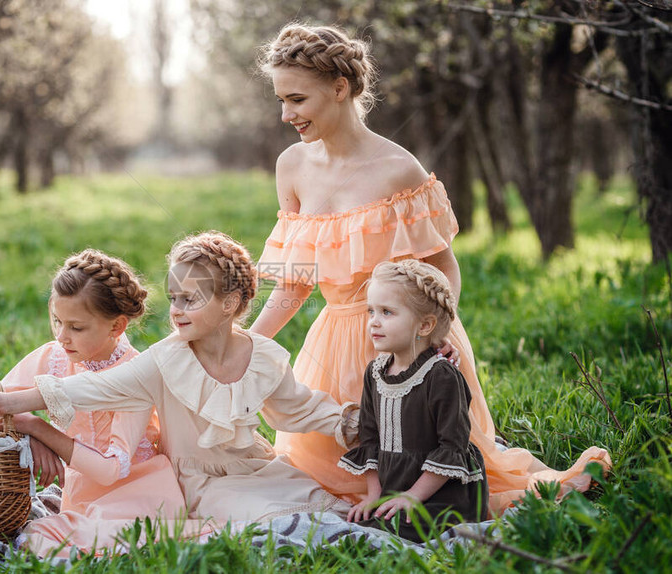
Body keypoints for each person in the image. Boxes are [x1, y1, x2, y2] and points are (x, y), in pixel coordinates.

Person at [251, 23, 610, 513]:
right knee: (326, 479)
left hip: (409, 340)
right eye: (281, 100)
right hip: (333, 342)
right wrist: (247, 343)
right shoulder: (290, 165)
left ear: (339, 89)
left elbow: (444, 268)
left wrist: (433, 334)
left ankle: (529, 488)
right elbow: (292, 283)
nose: (286, 114)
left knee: (432, 478)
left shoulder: (401, 170)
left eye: (297, 100)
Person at [0, 232, 357, 525]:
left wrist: (359, 426)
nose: (177, 311)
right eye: (173, 299)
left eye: (190, 299)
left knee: (322, 506)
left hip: (255, 465)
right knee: (269, 519)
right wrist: (14, 405)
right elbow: (95, 386)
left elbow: (300, 410)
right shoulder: (165, 358)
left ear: (230, 304)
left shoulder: (263, 355)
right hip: (200, 482)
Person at [0, 248, 187, 556]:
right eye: (57, 321)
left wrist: (39, 428)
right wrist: (30, 434)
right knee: (46, 536)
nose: (61, 336)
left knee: (58, 541)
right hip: (81, 495)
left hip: (136, 493)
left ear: (116, 327)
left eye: (76, 327)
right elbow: (0, 404)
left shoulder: (136, 376)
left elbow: (111, 470)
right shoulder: (54, 357)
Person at [341, 260, 488, 541]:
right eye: (370, 311)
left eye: (387, 312)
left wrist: (412, 496)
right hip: (395, 487)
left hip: (443, 493)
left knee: (391, 534)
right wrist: (375, 495)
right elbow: (369, 438)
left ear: (424, 325)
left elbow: (452, 445)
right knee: (369, 527)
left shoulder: (441, 376)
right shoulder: (375, 373)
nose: (374, 320)